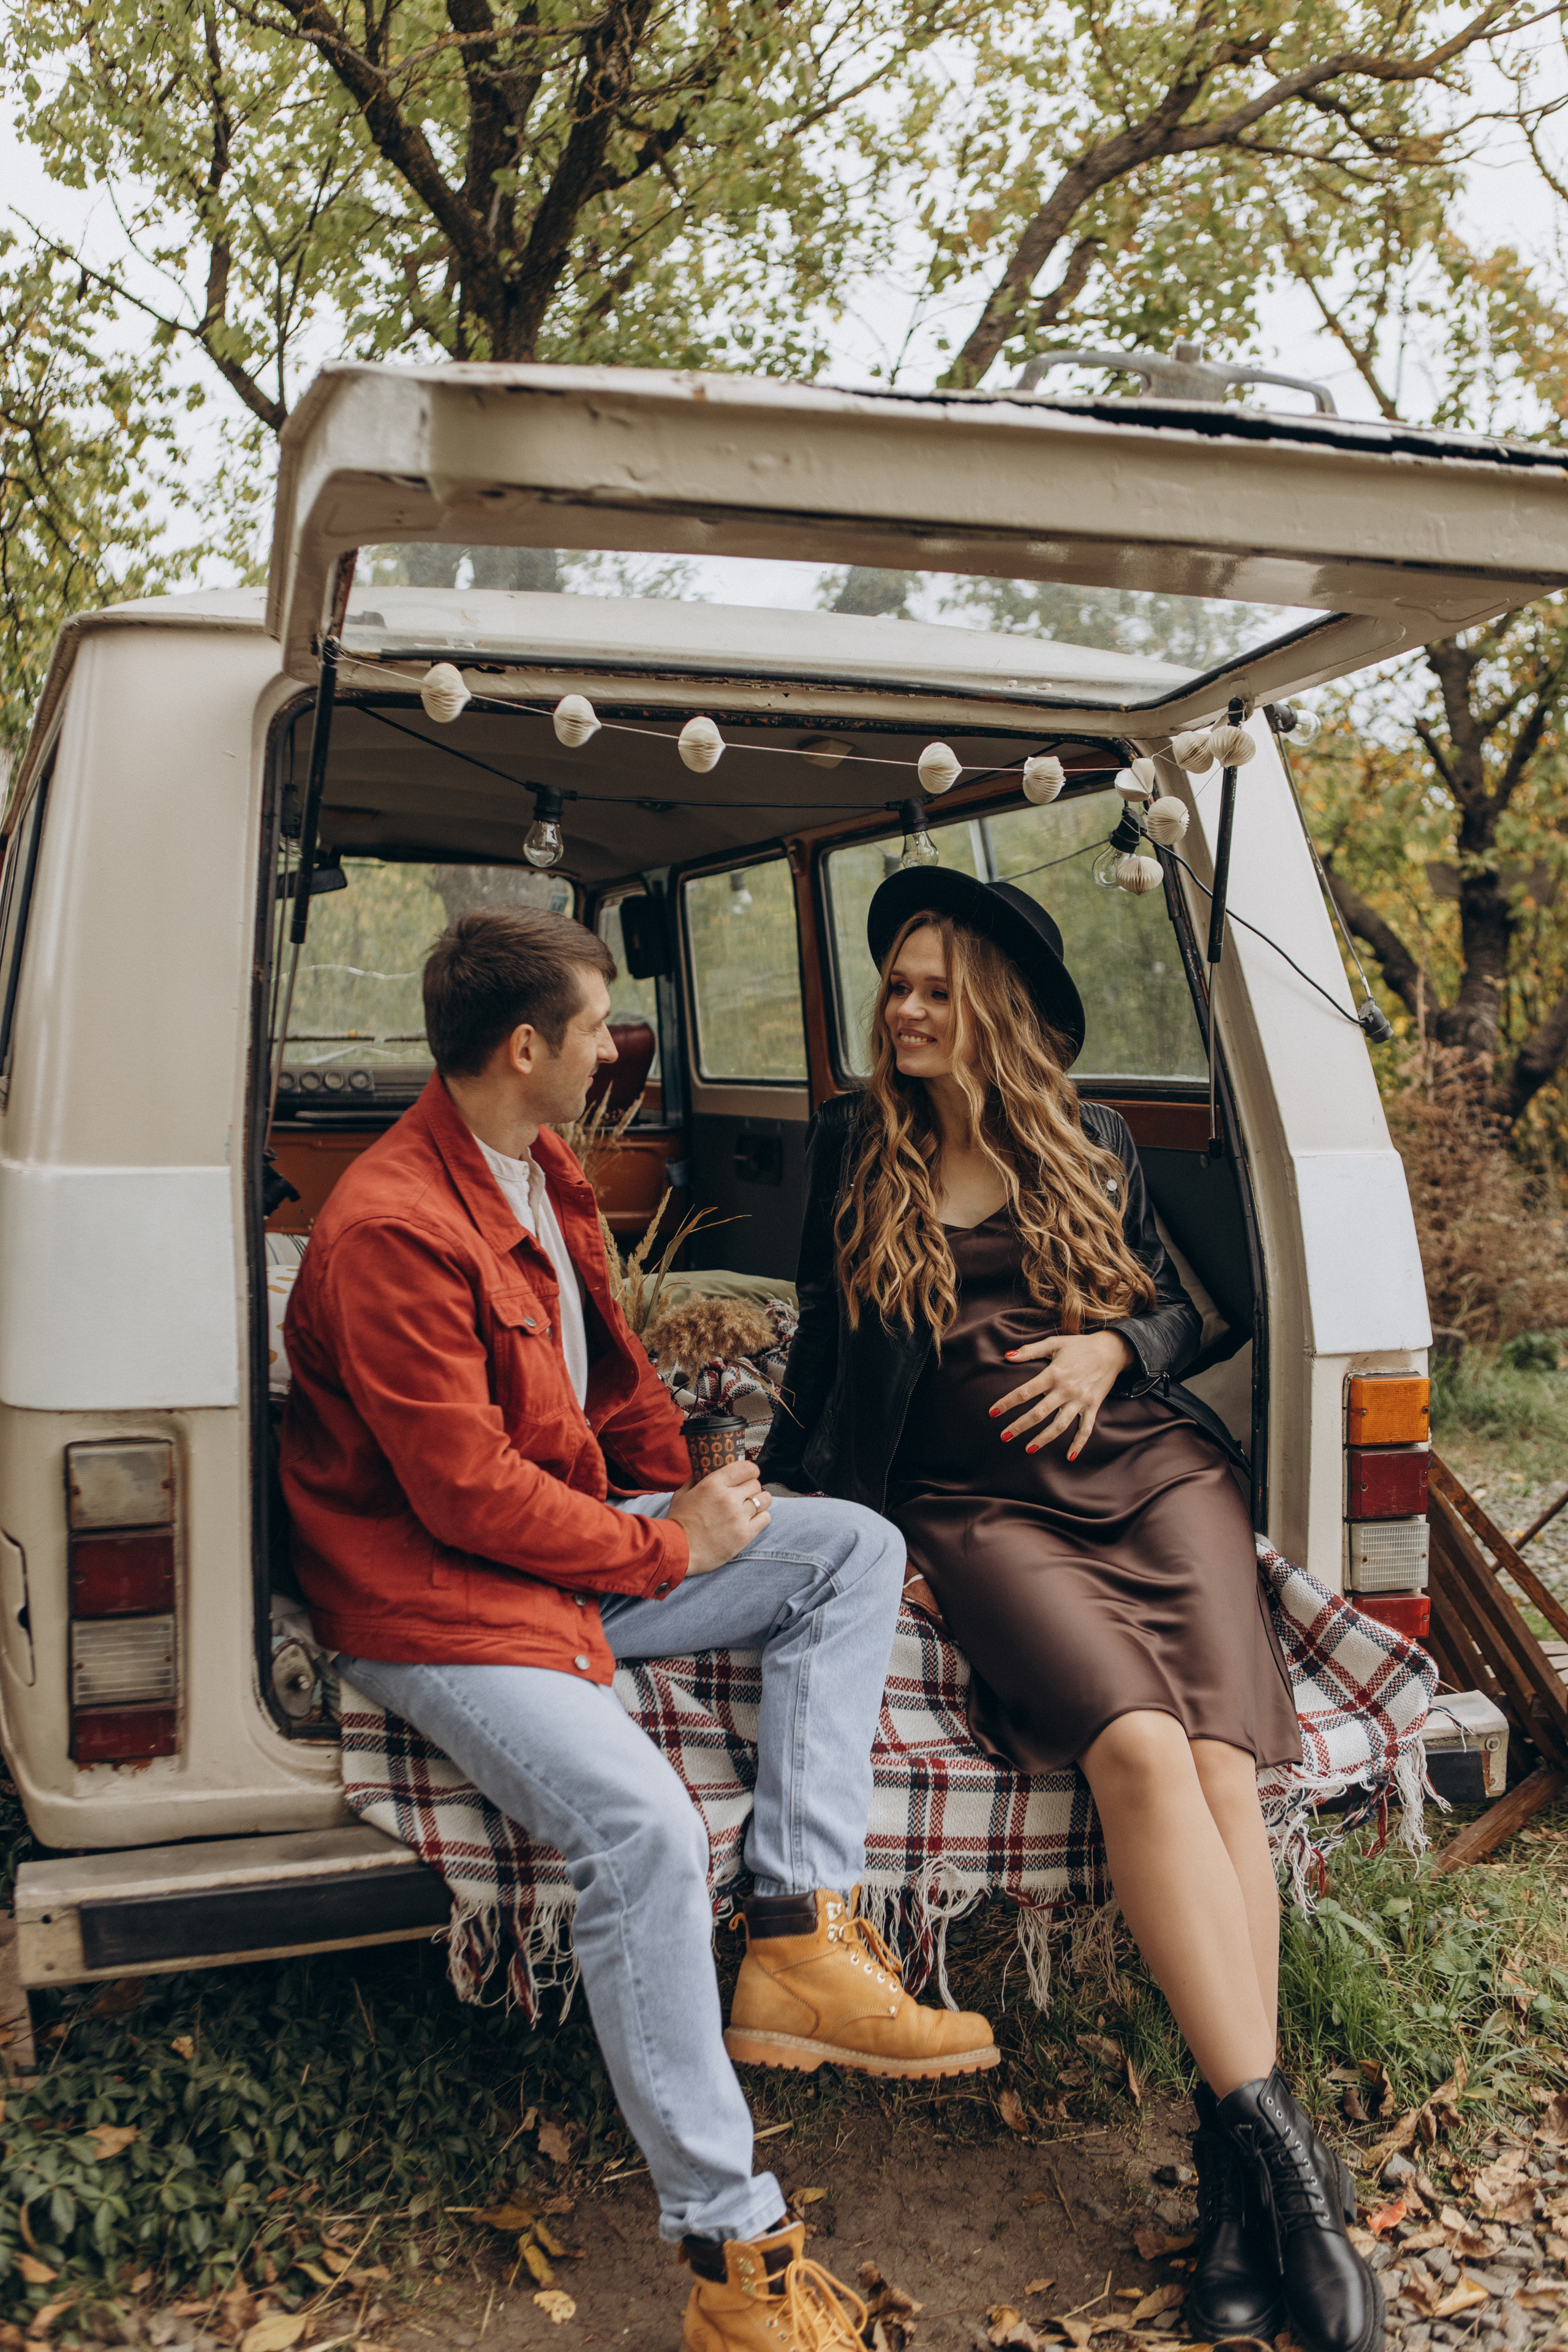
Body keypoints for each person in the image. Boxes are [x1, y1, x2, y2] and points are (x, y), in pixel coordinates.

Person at [278, 905, 997, 2352]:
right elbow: (462, 1496)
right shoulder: (387, 1232)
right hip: (440, 1605)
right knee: (646, 1836)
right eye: (601, 1027)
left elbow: (606, 1380)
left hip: (564, 1551)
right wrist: (662, 1545)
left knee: (847, 1545)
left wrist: (687, 1483)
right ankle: (735, 2264)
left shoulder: (539, 1166)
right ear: (526, 1044)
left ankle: (797, 1928)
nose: (619, 1050)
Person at [757, 869, 1381, 2352]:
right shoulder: (854, 1146)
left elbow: (1186, 1311)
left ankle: (1244, 2192)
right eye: (891, 987)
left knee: (1222, 1765)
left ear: (993, 1009)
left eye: (926, 988)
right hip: (978, 1509)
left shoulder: (1087, 1138)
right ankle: (1294, 2185)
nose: (899, 1011)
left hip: (1154, 1481)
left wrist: (1111, 1347)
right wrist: (770, 1512)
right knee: (1139, 1754)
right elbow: (815, 1370)